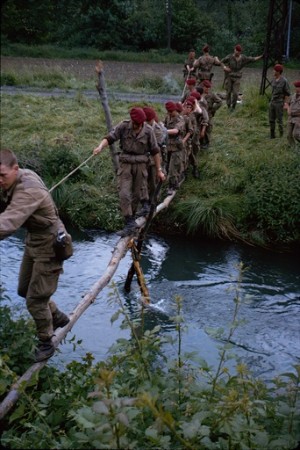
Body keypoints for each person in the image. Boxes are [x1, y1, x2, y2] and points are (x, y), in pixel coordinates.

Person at [0, 149, 71, 362]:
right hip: (34, 242)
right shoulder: (12, 180)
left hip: (50, 246)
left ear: (15, 169)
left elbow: (8, 222)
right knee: (24, 290)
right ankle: (57, 316)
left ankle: (46, 341)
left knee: (35, 300)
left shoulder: (28, 190)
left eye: (2, 175)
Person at [93, 107, 165, 236]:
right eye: (137, 124)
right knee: (124, 193)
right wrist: (100, 147)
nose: (138, 126)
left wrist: (159, 170)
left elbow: (155, 151)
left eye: (141, 124)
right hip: (126, 164)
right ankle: (129, 221)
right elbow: (109, 138)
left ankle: (132, 220)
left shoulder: (148, 131)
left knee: (137, 194)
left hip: (141, 165)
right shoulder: (124, 126)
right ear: (132, 121)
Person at [221, 44, 263, 111]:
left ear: (240, 52)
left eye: (239, 51)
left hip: (237, 77)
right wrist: (224, 67)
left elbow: (252, 59)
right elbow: (222, 62)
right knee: (228, 92)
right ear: (234, 50)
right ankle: (228, 106)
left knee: (235, 93)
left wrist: (261, 57)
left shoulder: (243, 58)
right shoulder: (229, 57)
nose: (237, 52)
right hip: (229, 76)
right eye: (236, 50)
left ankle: (233, 107)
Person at [143, 106, 168, 202]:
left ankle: (154, 201)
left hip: (154, 160)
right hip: (144, 160)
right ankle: (145, 202)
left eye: (147, 121)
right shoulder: (142, 126)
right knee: (143, 183)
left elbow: (154, 148)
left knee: (153, 182)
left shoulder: (158, 130)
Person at [164, 101, 187, 194]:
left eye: (170, 111)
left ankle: (172, 186)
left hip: (177, 147)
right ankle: (175, 182)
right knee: (167, 166)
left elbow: (175, 131)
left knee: (173, 168)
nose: (169, 113)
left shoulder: (180, 119)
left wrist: (163, 131)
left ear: (174, 110)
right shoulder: (168, 117)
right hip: (168, 146)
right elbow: (163, 124)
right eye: (168, 111)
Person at [269, 64, 291, 139]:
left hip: (279, 102)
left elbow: (287, 93)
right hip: (272, 101)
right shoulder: (273, 79)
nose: (273, 71)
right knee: (271, 119)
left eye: (274, 70)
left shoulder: (284, 81)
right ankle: (272, 135)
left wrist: (285, 103)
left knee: (279, 120)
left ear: (278, 71)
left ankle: (281, 135)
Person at [200, 79, 223, 148]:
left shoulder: (212, 95)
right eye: (206, 87)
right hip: (200, 113)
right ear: (203, 87)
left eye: (209, 88)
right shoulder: (199, 93)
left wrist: (213, 109)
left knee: (208, 127)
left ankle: (207, 143)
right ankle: (200, 141)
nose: (207, 89)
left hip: (208, 113)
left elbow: (220, 102)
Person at [284, 80, 300, 148]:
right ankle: (294, 149)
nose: (295, 88)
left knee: (296, 134)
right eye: (295, 87)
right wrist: (286, 105)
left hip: (298, 118)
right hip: (290, 118)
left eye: (297, 87)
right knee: (288, 135)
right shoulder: (293, 96)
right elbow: (288, 103)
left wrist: (288, 109)